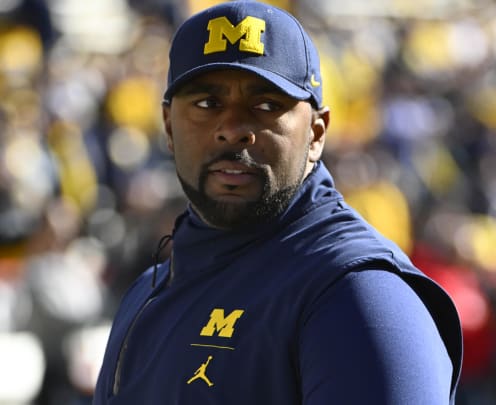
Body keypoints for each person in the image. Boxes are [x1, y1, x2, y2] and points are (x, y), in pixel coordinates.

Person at [92, 1, 462, 404]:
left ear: (317, 133)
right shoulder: (150, 287)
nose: (232, 129)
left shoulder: (361, 297)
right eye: (206, 104)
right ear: (168, 125)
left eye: (266, 105)